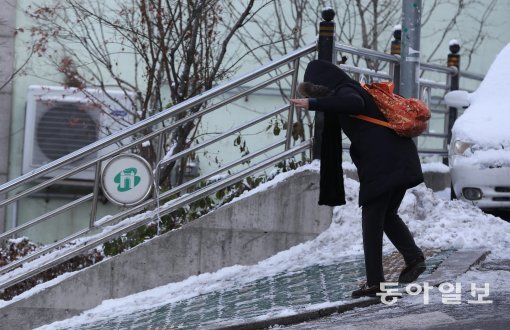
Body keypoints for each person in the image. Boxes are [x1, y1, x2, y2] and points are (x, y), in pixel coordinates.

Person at [290, 60, 426, 298]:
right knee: (386, 216)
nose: (318, 94)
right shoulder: (350, 88)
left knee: (372, 221)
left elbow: (354, 103)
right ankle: (413, 257)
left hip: (384, 164)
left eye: (317, 89)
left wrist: (313, 102)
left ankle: (376, 284)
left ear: (323, 82)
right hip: (398, 159)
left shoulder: (348, 90)